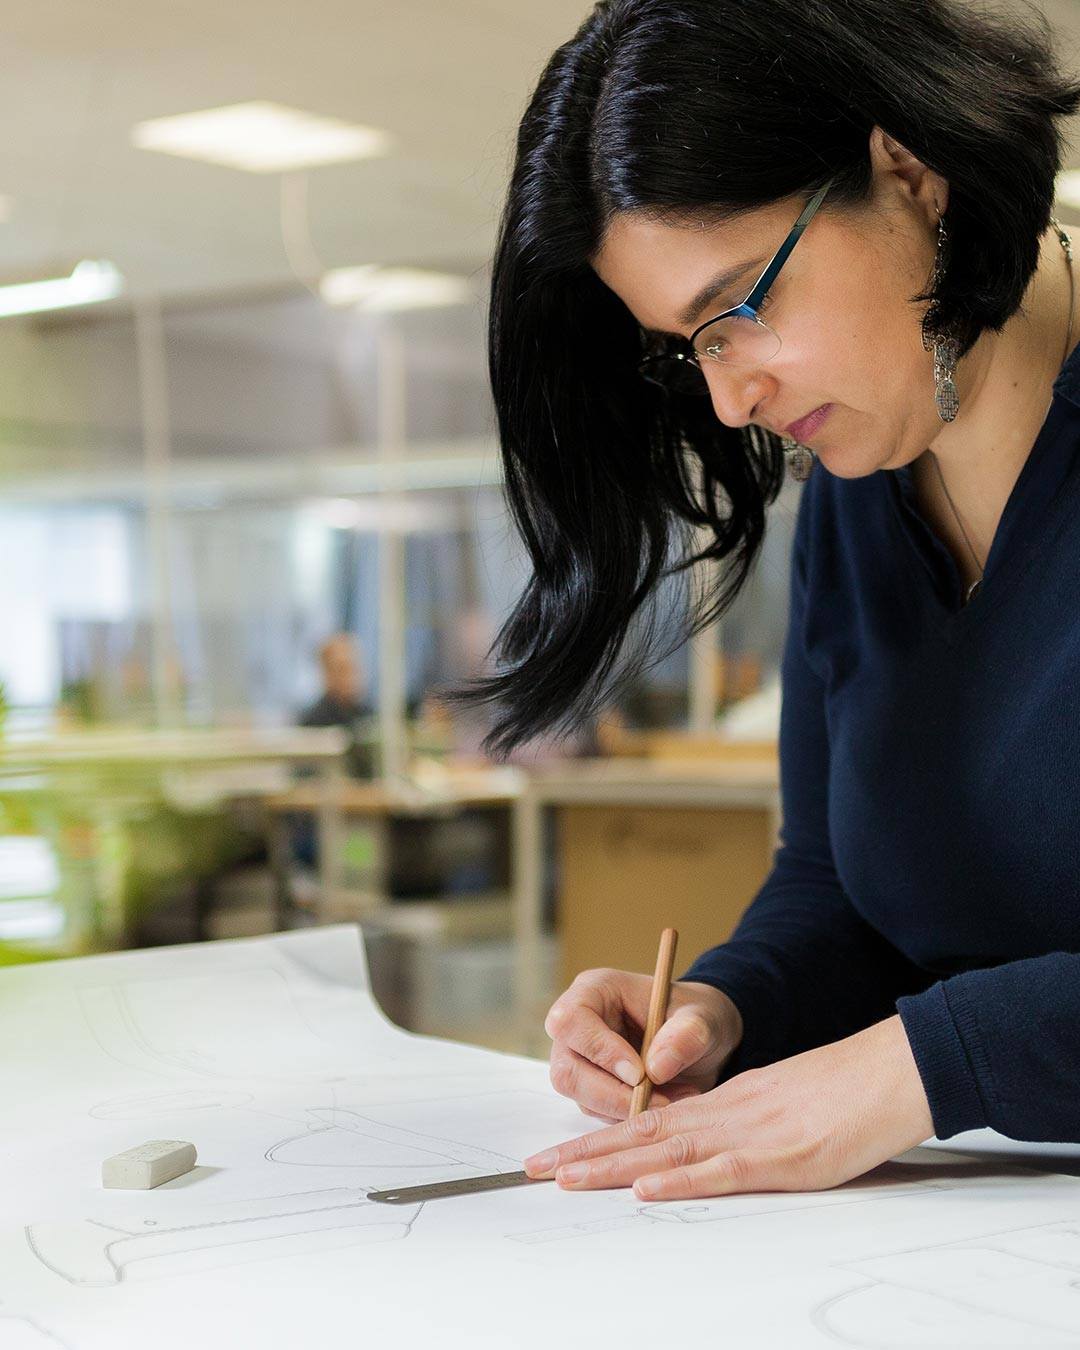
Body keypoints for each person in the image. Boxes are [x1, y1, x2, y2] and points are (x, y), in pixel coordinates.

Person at [449, 0, 1080, 1202]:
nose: (732, 400)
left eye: (741, 308)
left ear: (904, 169)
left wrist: (924, 1068)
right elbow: (846, 876)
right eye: (691, 348)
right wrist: (731, 1006)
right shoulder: (863, 465)